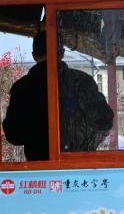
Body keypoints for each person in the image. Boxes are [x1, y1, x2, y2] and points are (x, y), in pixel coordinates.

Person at [3, 31, 113, 160]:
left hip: (40, 170)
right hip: (80, 166)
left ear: (34, 56)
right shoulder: (82, 81)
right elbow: (105, 121)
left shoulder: (21, 87)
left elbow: (14, 135)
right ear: (62, 53)